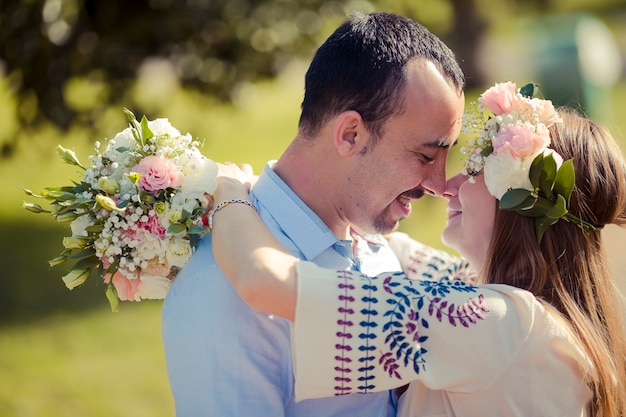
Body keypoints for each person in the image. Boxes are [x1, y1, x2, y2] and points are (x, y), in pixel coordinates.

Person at [210, 82, 626, 416]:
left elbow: (262, 280)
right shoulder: (531, 314)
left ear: (523, 201)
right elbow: (388, 244)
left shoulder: (501, 325)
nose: (448, 185)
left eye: (477, 168)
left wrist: (228, 192)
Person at [161, 12, 466, 416]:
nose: (438, 184)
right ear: (350, 134)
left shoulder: (376, 244)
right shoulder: (222, 291)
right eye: (426, 155)